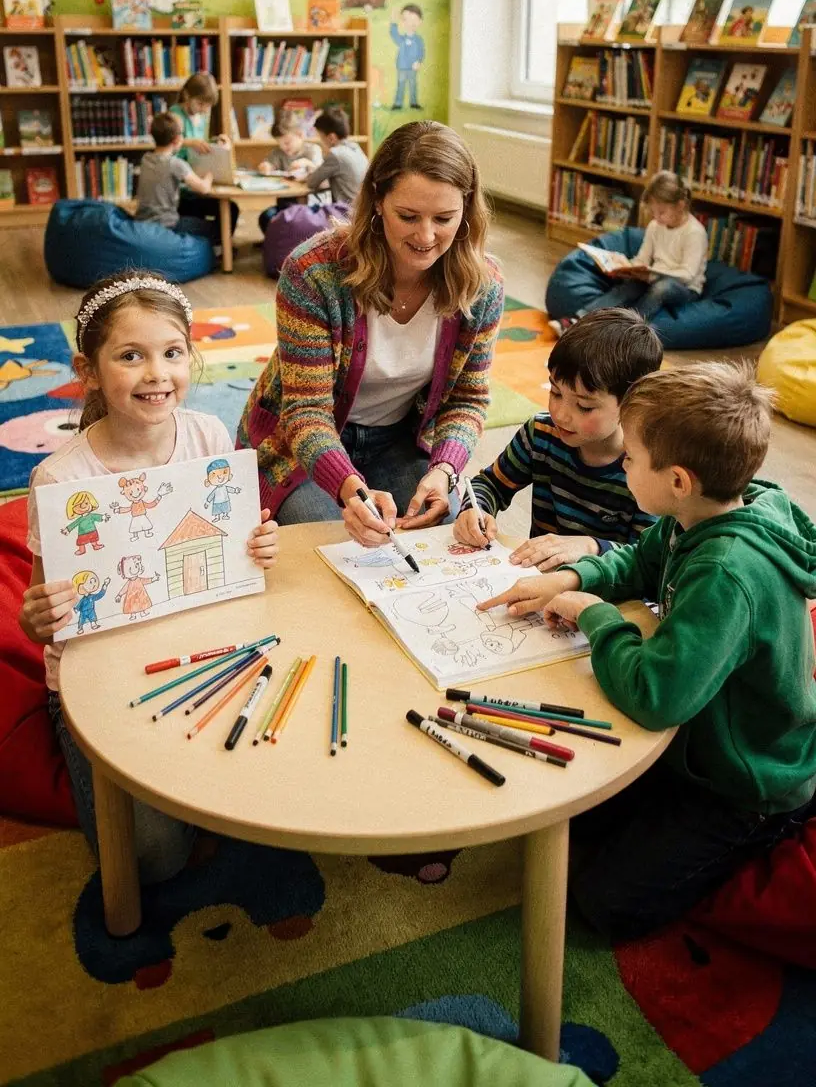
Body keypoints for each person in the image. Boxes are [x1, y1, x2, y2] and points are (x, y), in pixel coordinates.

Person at [477, 361, 816, 941]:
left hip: (745, 783)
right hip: (698, 746)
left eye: (630, 459)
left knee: (603, 903)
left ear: (678, 480)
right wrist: (572, 580)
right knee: (570, 816)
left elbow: (657, 697)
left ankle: (769, 839)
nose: (622, 464)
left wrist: (598, 616)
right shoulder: (700, 512)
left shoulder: (724, 574)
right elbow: (638, 560)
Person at [18, 270, 279, 882]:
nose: (157, 374)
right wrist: (36, 617)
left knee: (273, 773)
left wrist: (259, 544)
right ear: (89, 371)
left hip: (201, 650)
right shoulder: (60, 480)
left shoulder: (210, 436)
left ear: (192, 356)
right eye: (130, 356)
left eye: (172, 353)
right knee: (154, 861)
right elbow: (39, 610)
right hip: (97, 675)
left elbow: (237, 547)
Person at [237, 119, 504, 542]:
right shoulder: (314, 272)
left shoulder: (481, 285)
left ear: (467, 210)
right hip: (298, 448)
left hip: (398, 442)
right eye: (408, 216)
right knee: (334, 545)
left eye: (445, 218)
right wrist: (347, 484)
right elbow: (306, 412)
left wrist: (445, 469)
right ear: (377, 200)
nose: (426, 235)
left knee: (449, 531)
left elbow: (468, 399)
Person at [454, 309, 661, 568]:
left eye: (584, 406)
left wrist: (591, 546)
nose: (561, 415)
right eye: (555, 392)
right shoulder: (541, 433)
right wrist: (476, 510)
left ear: (632, 404)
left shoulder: (647, 466)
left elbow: (648, 558)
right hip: (539, 583)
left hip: (606, 598)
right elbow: (491, 485)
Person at [552, 171, 708, 334]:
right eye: (653, 212)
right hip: (655, 278)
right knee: (630, 286)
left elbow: (687, 274)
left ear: (681, 205)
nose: (656, 217)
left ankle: (626, 330)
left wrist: (652, 276)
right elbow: (642, 259)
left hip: (685, 289)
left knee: (662, 288)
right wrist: (625, 267)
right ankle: (578, 321)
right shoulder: (655, 226)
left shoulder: (695, 232)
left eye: (661, 212)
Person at [170, 72, 238, 236]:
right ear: (187, 95)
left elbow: (201, 144)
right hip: (182, 187)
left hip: (199, 179)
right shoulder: (175, 115)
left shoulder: (201, 116)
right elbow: (167, 145)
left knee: (230, 209)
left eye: (207, 106)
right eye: (200, 104)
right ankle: (211, 246)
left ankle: (221, 247)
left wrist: (215, 142)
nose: (204, 110)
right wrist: (189, 142)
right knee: (199, 215)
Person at [136, 112, 218, 239]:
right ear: (177, 140)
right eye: (182, 134)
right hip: (167, 226)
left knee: (190, 206)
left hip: (142, 223)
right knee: (216, 228)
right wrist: (211, 174)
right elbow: (204, 188)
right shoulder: (176, 164)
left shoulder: (145, 159)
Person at [257, 110, 323, 234]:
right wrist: (265, 166)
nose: (284, 147)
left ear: (300, 135)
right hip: (285, 205)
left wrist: (307, 164)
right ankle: (277, 243)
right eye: (279, 143)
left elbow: (321, 173)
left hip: (309, 206)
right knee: (265, 217)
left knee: (303, 224)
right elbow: (268, 164)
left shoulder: (313, 150)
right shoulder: (278, 153)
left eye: (287, 142)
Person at [298, 106, 367, 206]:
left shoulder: (336, 154)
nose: (321, 143)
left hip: (345, 212)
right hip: (361, 209)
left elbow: (311, 182)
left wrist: (309, 173)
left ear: (331, 138)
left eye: (321, 138)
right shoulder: (355, 147)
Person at [390, 4, 425, 111]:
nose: (410, 23)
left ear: (420, 21)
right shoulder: (402, 39)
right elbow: (394, 34)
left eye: (414, 19)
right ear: (403, 22)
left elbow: (421, 52)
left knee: (413, 84)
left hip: (413, 67)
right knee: (401, 84)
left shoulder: (418, 39)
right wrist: (393, 23)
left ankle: (413, 102)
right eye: (406, 19)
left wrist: (418, 61)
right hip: (402, 66)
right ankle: (398, 103)